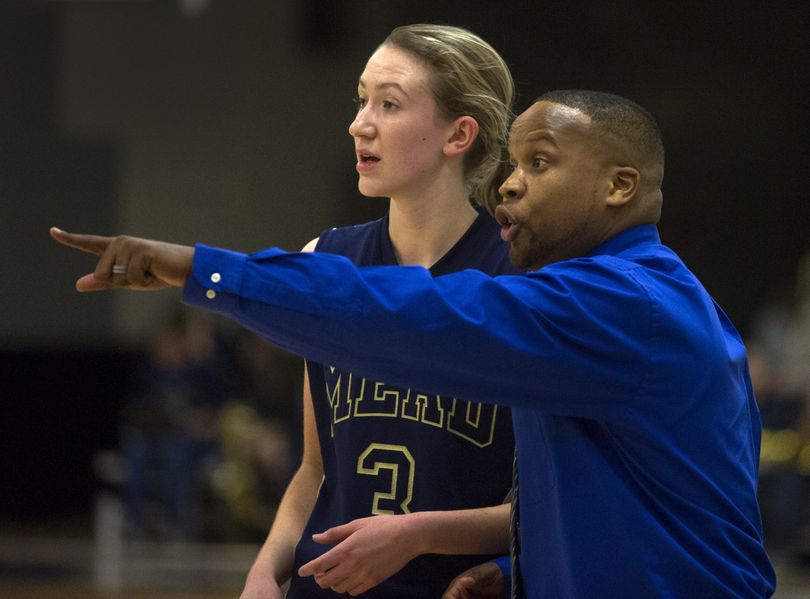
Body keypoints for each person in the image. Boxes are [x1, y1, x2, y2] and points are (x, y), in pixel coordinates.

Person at [51, 89, 777, 597]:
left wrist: (200, 268)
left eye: (541, 163)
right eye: (513, 166)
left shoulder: (626, 304)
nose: (509, 189)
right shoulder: (648, 298)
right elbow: (645, 502)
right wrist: (522, 569)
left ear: (620, 185)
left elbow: (405, 314)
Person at [54, 24, 520, 598]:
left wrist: (431, 541)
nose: (359, 123)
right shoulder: (326, 256)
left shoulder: (520, 277)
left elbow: (541, 503)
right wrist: (264, 571)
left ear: (458, 134)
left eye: (389, 104)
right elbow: (314, 469)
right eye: (361, 99)